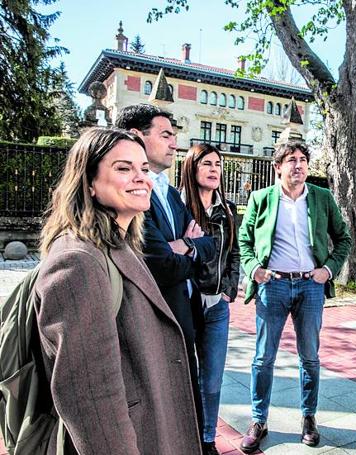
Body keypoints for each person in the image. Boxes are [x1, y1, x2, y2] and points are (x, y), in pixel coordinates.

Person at [34, 127, 201, 454]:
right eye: (123, 168)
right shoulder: (77, 262)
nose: (141, 178)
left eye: (142, 169)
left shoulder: (118, 244)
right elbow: (90, 398)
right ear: (90, 183)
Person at [238, 140, 351, 453]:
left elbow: (343, 238)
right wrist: (253, 269)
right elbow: (244, 240)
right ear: (278, 167)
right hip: (272, 286)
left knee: (310, 357)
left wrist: (328, 269)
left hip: (309, 287)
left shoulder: (322, 197)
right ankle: (258, 420)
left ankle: (309, 418)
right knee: (263, 357)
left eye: (302, 160)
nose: (298, 165)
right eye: (291, 160)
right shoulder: (260, 198)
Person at [115, 104, 217, 437]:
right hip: (156, 319)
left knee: (186, 405)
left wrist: (183, 246)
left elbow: (209, 244)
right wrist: (186, 248)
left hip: (185, 314)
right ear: (136, 137)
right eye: (166, 135)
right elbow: (162, 265)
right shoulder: (131, 195)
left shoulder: (171, 194)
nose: (175, 143)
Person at [180, 143, 240, 455]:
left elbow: (235, 254)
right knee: (182, 374)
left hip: (217, 306)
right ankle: (183, 435)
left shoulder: (227, 209)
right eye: (207, 163)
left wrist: (229, 289)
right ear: (192, 167)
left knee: (212, 379)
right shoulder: (178, 207)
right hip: (185, 304)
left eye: (218, 163)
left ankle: (207, 439)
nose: (214, 169)